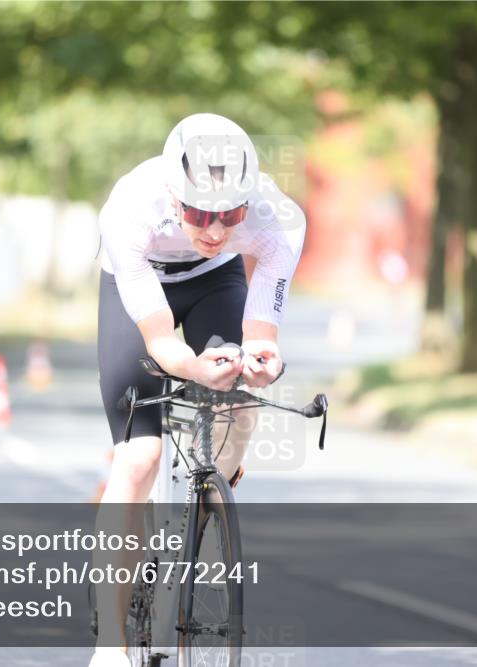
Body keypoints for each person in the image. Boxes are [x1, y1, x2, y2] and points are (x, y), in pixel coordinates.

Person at [90, 113, 305, 667]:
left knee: (240, 399)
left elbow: (265, 309)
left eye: (229, 216)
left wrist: (262, 352)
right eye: (200, 214)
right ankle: (110, 643)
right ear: (172, 194)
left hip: (216, 283)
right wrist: (192, 370)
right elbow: (161, 342)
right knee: (139, 458)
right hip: (135, 287)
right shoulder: (129, 210)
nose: (214, 230)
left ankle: (209, 503)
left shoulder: (270, 214)